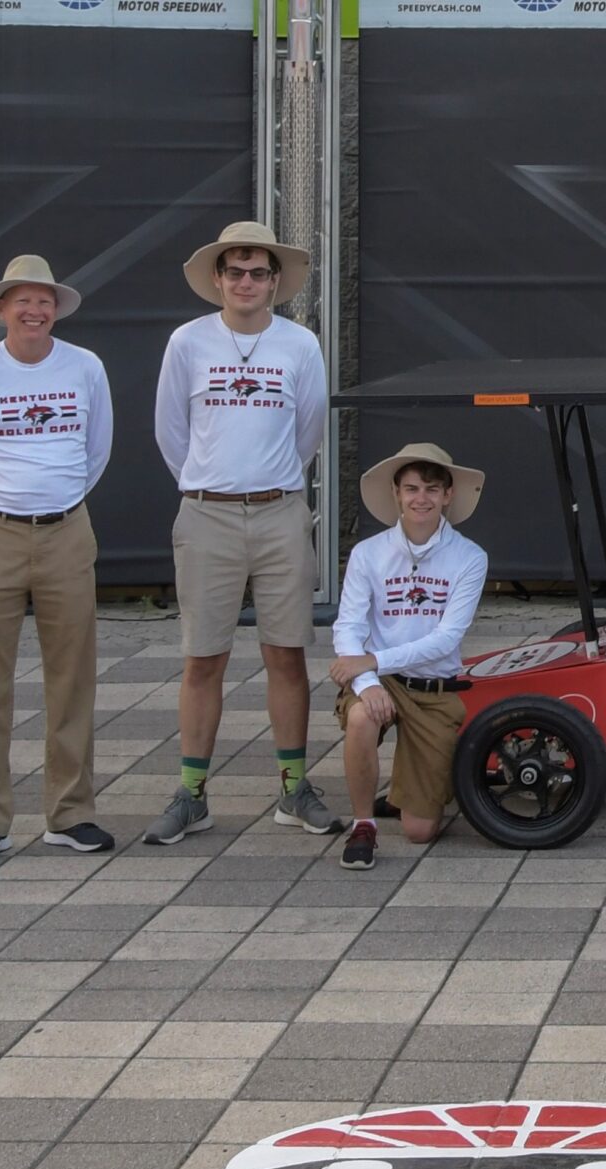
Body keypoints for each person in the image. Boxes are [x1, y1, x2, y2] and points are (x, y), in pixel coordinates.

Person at [145, 221, 338, 844]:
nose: (247, 282)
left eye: (259, 273)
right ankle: (193, 793)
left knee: (286, 654)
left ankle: (293, 788)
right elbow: (171, 432)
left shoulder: (300, 344)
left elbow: (308, 430)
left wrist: (268, 483)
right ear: (218, 279)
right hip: (207, 513)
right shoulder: (187, 341)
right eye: (236, 272)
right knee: (204, 657)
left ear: (276, 282)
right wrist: (211, 483)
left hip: (280, 510)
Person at [0, 255, 115, 863]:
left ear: (56, 309)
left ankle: (70, 814)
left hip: (68, 530)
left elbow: (97, 451)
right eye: (23, 301)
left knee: (72, 678)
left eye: (45, 301)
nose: (35, 311)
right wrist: (0, 511)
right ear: (2, 310)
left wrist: (54, 504)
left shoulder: (86, 368)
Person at [328, 443, 489, 871]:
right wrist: (368, 682)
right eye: (412, 488)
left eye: (432, 489)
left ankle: (412, 792)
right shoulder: (368, 552)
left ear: (448, 495)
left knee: (419, 832)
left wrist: (373, 662)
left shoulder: (470, 557)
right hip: (383, 682)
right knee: (362, 716)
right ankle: (363, 824)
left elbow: (446, 638)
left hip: (434, 686)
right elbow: (347, 627)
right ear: (396, 494)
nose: (422, 498)